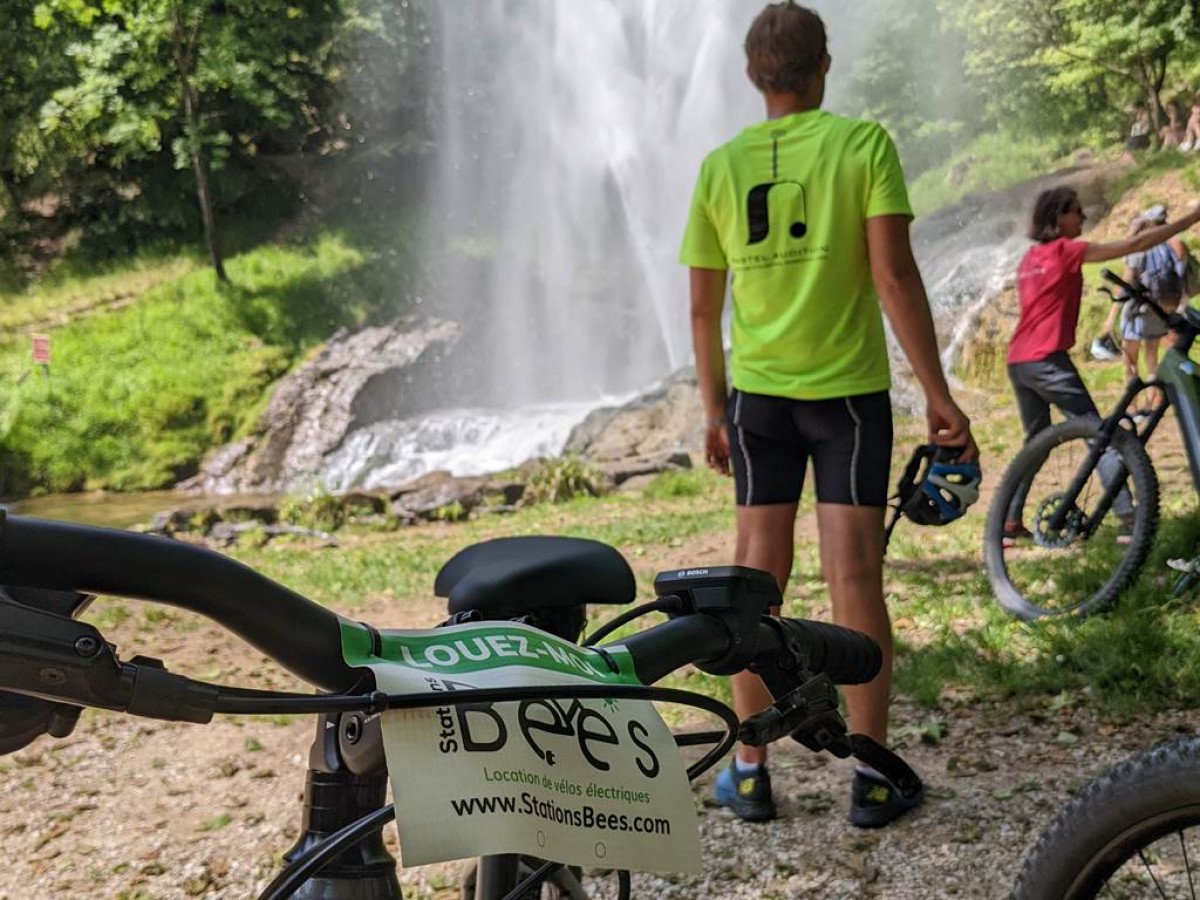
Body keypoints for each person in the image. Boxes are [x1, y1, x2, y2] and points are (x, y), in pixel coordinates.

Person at [680, 1, 976, 829]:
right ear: (824, 66)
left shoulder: (718, 167)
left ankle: (748, 770)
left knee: (750, 590)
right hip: (846, 398)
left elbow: (705, 310)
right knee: (854, 583)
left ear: (751, 75)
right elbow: (893, 277)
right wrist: (939, 395)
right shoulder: (863, 145)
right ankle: (873, 778)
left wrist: (713, 408)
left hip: (757, 402)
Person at [1002, 189, 1200, 545]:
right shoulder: (1066, 251)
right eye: (1076, 211)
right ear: (1058, 217)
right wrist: (1190, 219)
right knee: (1101, 434)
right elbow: (1133, 245)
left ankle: (1009, 519)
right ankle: (1128, 518)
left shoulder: (1031, 257)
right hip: (1048, 359)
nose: (1083, 218)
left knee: (1037, 441)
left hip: (1019, 360)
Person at [1118, 205, 1188, 418]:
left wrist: (1112, 314)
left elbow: (1124, 284)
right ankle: (1151, 404)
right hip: (1160, 310)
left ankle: (1131, 408)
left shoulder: (1138, 250)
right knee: (1151, 359)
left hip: (1137, 311)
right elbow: (1181, 274)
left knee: (1129, 359)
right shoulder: (1171, 245)